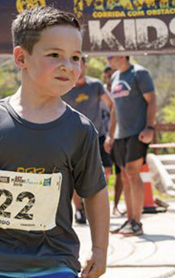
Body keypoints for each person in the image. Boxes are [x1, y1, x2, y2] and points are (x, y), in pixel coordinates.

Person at [0, 6, 109, 278]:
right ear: (21, 57)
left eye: (75, 57)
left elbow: (94, 192)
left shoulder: (81, 130)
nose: (68, 66)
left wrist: (100, 248)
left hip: (55, 263)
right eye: (54, 55)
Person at [62, 57, 117, 224]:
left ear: (84, 66)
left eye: (79, 63)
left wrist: (111, 133)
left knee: (106, 170)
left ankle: (94, 199)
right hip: (73, 136)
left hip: (98, 134)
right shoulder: (63, 87)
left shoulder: (96, 85)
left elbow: (112, 105)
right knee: (74, 175)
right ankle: (79, 209)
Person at [108, 55, 157, 236]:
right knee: (125, 176)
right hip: (120, 135)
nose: (107, 59)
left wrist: (150, 127)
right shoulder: (114, 77)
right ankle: (129, 220)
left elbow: (151, 100)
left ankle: (137, 221)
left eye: (110, 56)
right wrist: (110, 135)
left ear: (122, 55)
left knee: (132, 171)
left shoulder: (139, 73)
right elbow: (114, 108)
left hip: (138, 132)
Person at [102, 64, 125, 216]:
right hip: (102, 137)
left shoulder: (122, 91)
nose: (110, 78)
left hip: (120, 136)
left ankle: (115, 206)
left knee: (121, 173)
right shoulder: (99, 91)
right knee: (104, 172)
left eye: (112, 75)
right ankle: (100, 206)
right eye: (108, 75)